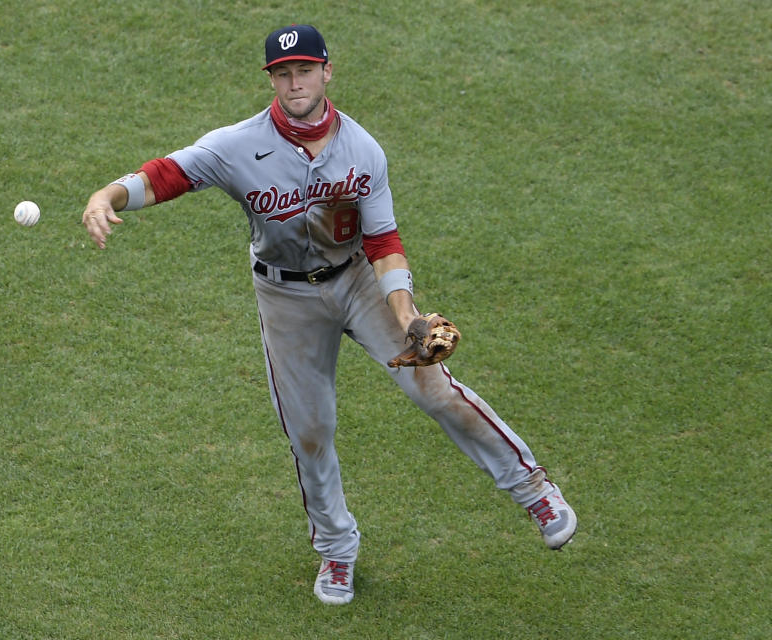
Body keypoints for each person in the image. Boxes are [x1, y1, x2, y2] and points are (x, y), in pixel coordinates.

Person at [81, 24, 577, 606]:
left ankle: (533, 488)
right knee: (309, 431)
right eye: (283, 73)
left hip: (358, 283)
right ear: (272, 79)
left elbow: (384, 241)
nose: (295, 83)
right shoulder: (238, 145)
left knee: (435, 391)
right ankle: (337, 550)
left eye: (305, 71)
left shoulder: (363, 150)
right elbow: (166, 175)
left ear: (326, 72)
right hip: (285, 298)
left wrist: (408, 315)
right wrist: (106, 196)